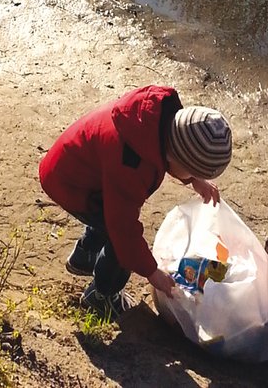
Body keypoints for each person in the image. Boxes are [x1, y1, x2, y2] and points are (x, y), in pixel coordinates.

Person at [38, 85, 232, 320]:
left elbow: (174, 149)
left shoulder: (157, 119)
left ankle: (85, 257)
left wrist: (194, 179)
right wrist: (151, 271)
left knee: (109, 214)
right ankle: (101, 296)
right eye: (190, 170)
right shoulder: (131, 163)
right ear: (178, 158)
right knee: (119, 238)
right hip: (72, 185)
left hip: (81, 169)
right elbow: (124, 230)